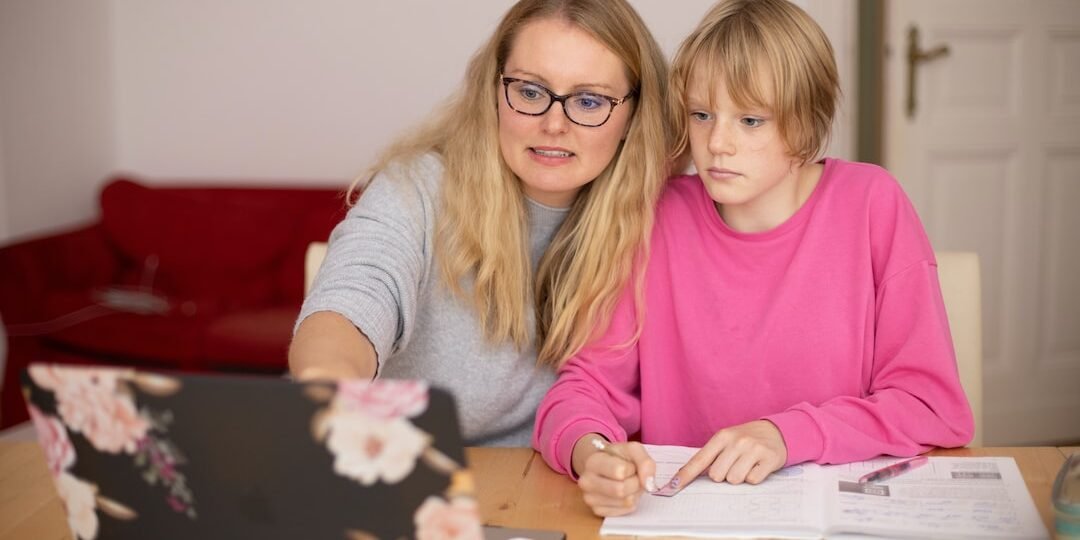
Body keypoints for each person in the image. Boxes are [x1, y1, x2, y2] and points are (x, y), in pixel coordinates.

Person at [533, 0, 975, 516]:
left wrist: (788, 435)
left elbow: (931, 407)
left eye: (750, 119)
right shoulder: (657, 215)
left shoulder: (872, 204)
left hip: (835, 516)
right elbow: (584, 389)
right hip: (685, 519)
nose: (718, 143)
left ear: (806, 124)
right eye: (702, 115)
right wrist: (595, 456)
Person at [289, 0, 671, 447]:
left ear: (632, 115)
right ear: (494, 90)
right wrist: (331, 384)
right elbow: (355, 296)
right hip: (395, 467)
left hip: (541, 487)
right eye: (530, 91)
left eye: (589, 101)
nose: (553, 124)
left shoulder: (657, 217)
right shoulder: (418, 188)